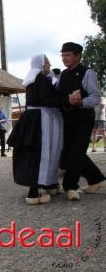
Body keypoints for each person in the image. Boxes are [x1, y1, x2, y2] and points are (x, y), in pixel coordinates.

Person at [8, 55, 64, 205]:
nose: (50, 65)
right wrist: (66, 100)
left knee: (44, 151)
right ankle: (33, 193)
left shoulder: (35, 79)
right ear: (41, 65)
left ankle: (50, 184)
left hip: (35, 118)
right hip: (40, 120)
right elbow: (46, 99)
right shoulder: (40, 79)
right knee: (38, 152)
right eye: (47, 63)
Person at [56, 42, 106, 200]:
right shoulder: (63, 74)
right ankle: (96, 179)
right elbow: (59, 95)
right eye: (62, 55)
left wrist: (80, 102)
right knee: (70, 152)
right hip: (67, 119)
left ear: (78, 56)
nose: (64, 58)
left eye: (68, 55)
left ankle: (71, 187)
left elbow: (95, 97)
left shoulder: (87, 73)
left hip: (83, 119)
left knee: (76, 152)